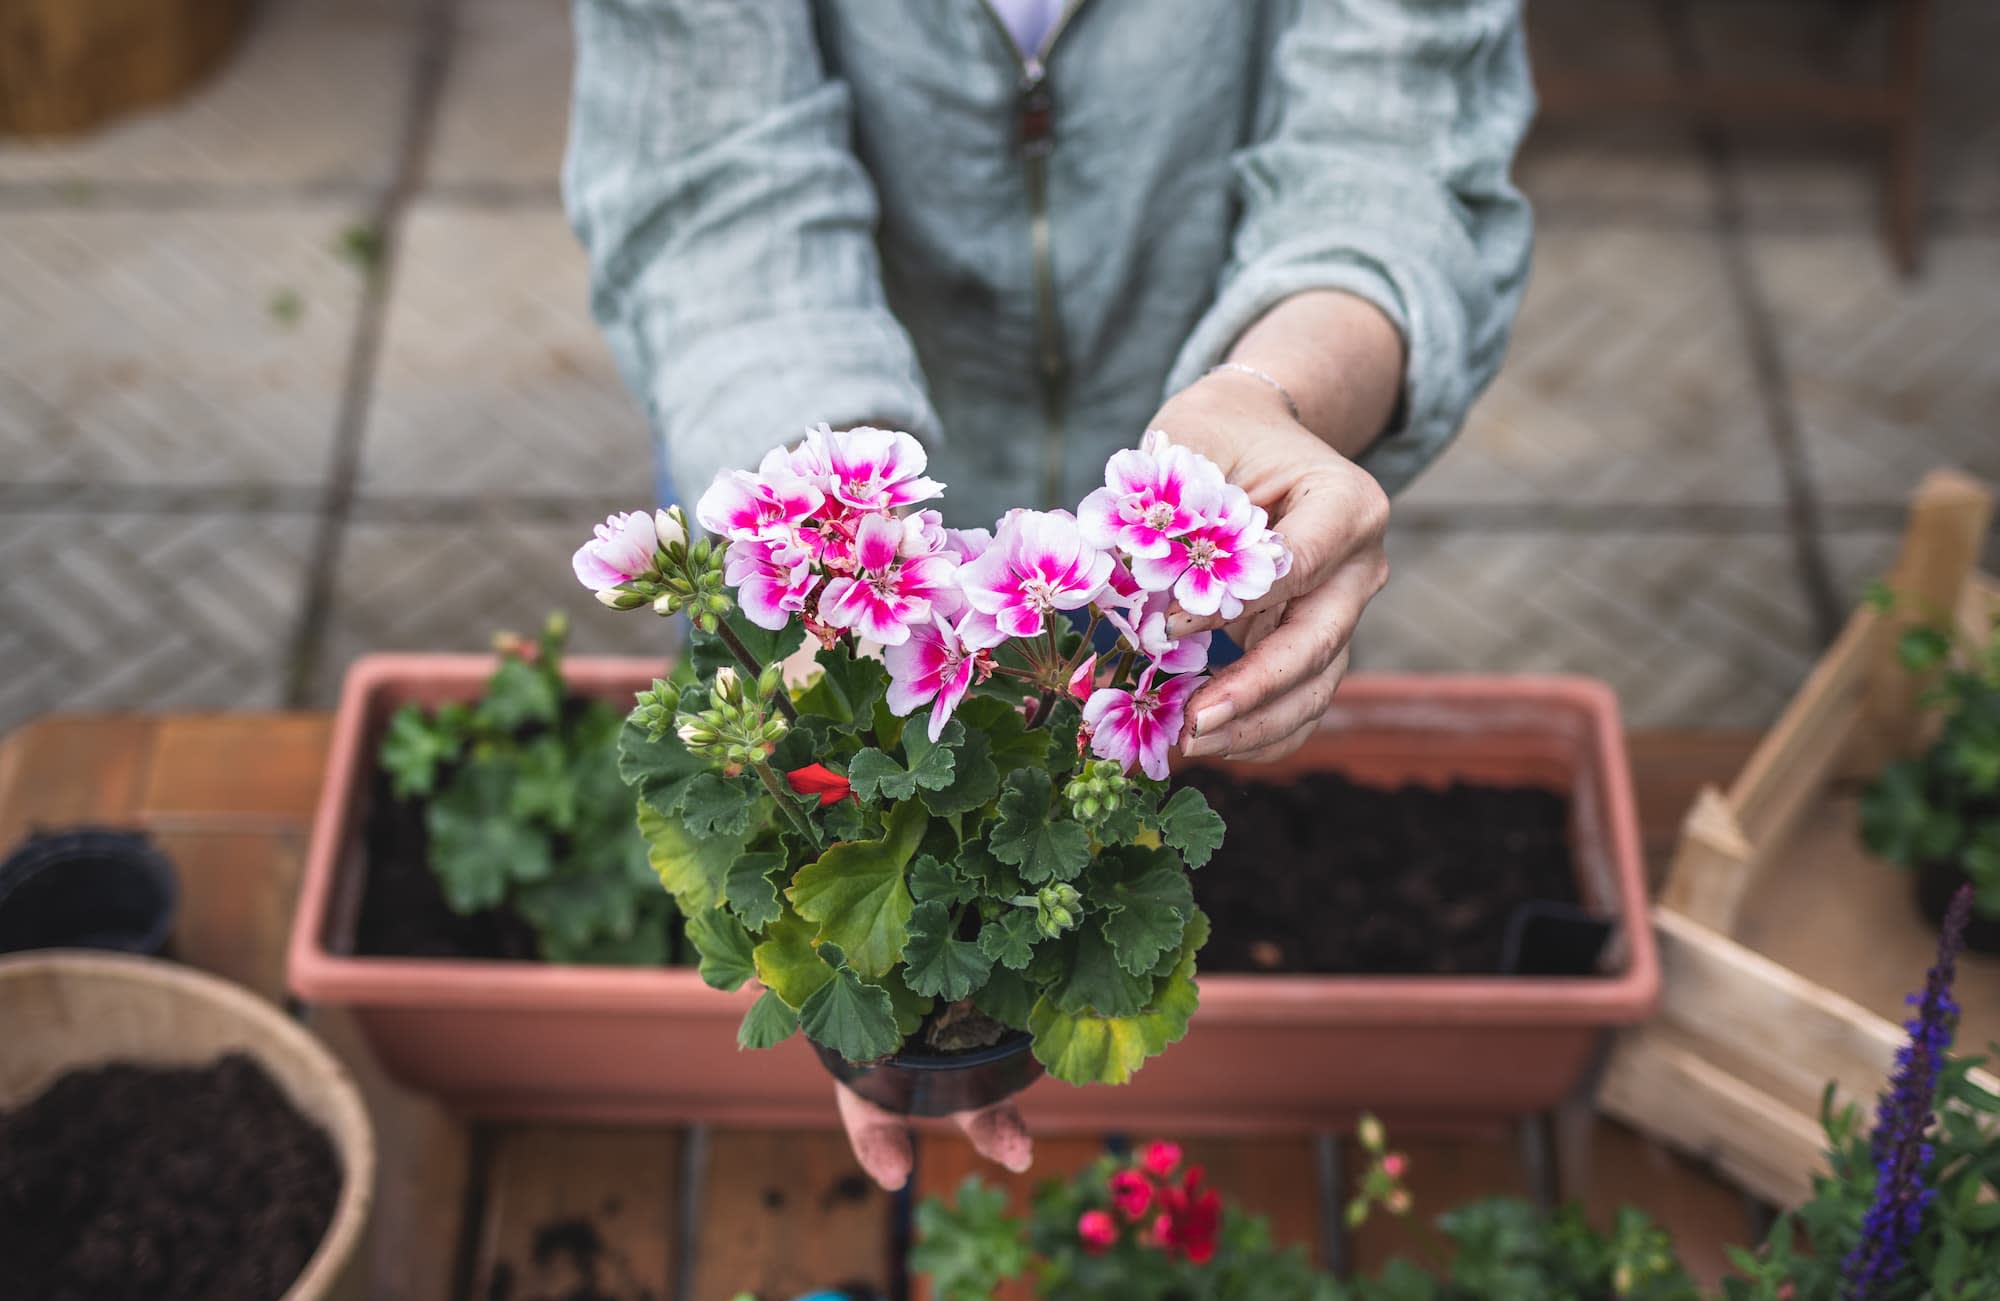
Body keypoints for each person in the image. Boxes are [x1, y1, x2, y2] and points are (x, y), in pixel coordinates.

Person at [565, 0, 1534, 1189]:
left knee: (1195, 774)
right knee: (807, 784)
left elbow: (1396, 144)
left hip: (1187, 520)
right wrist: (838, 552)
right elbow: (710, 174)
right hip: (820, 476)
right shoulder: (830, 567)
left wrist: (1278, 392)